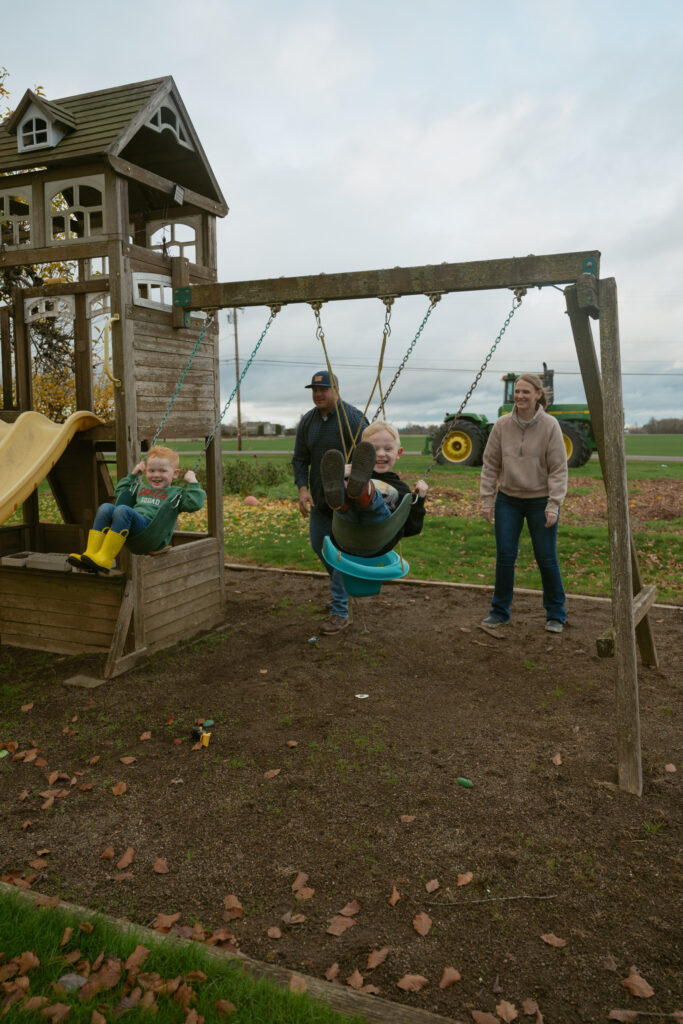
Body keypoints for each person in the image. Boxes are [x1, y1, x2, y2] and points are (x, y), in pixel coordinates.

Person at [479, 372, 568, 633]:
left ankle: (555, 614)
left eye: (525, 391)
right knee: (505, 556)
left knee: (546, 557)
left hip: (540, 500)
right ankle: (499, 612)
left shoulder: (550, 425)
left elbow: (558, 469)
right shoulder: (502, 425)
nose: (519, 396)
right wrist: (487, 499)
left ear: (538, 394)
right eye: (517, 391)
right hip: (508, 500)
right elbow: (490, 463)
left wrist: (554, 504)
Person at [292, 370, 368, 633]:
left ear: (336, 389)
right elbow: (300, 459)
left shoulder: (354, 419)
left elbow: (367, 458)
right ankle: (344, 589)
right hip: (320, 500)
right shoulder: (308, 422)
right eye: (314, 390)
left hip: (347, 502)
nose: (318, 394)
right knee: (319, 546)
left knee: (339, 554)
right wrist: (303, 490)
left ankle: (339, 611)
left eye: (323, 389)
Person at [68, 445, 206, 574]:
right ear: (145, 471)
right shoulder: (141, 487)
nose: (156, 475)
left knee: (123, 510)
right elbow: (120, 492)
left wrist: (193, 483)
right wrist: (133, 474)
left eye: (162, 471)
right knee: (105, 508)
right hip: (132, 527)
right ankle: (90, 554)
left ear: (175, 474)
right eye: (151, 471)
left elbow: (195, 503)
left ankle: (105, 559)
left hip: (151, 534)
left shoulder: (176, 494)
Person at [320, 422, 427, 555]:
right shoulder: (350, 476)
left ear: (399, 452)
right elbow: (324, 508)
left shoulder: (401, 489)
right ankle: (347, 494)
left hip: (378, 540)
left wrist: (419, 500)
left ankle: (365, 493)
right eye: (374, 450)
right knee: (345, 505)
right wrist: (340, 476)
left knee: (374, 508)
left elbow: (412, 529)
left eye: (388, 449)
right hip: (345, 536)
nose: (381, 454)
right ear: (362, 454)